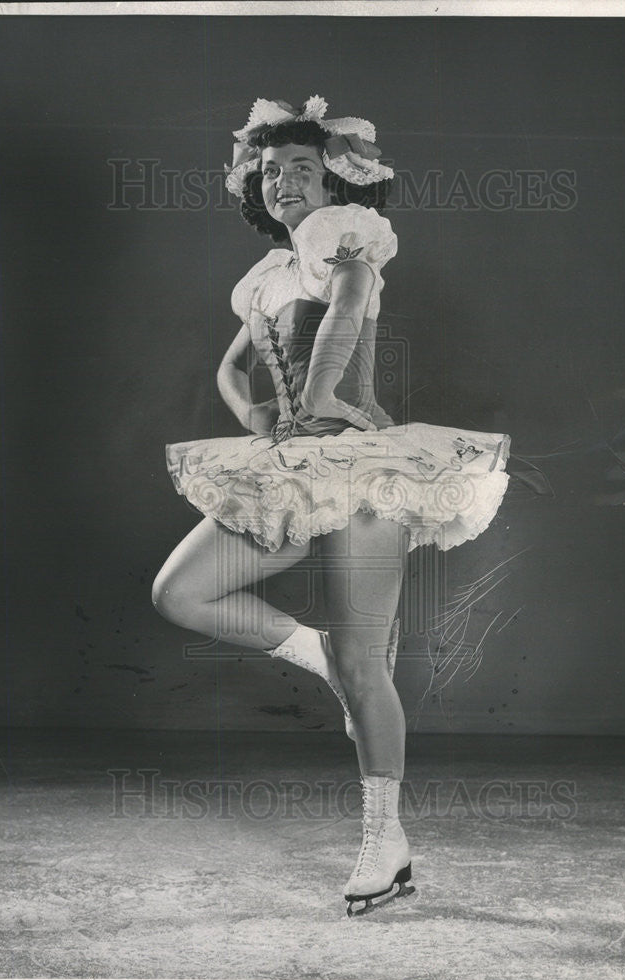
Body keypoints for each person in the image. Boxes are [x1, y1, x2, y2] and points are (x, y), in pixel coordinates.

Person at [153, 95, 511, 916]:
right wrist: (253, 417)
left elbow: (348, 304)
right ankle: (307, 648)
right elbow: (233, 370)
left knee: (364, 665)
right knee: (180, 592)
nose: (284, 183)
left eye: (303, 170)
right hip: (286, 469)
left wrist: (319, 395)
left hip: (362, 473)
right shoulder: (270, 277)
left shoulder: (341, 242)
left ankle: (385, 844)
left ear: (336, 181)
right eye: (271, 172)